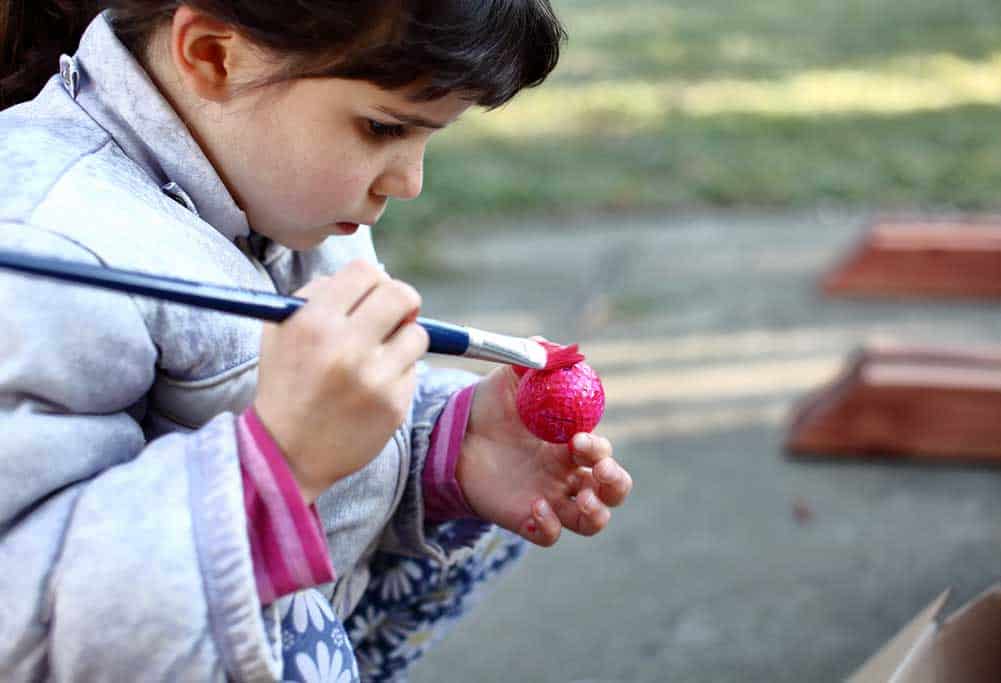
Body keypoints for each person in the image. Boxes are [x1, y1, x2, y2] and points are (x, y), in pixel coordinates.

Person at [0, 1, 634, 681]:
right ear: (215, 55)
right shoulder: (45, 245)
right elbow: (25, 624)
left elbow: (261, 425)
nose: (409, 182)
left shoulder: (269, 191)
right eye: (383, 126)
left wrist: (443, 445)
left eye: (428, 137)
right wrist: (273, 464)